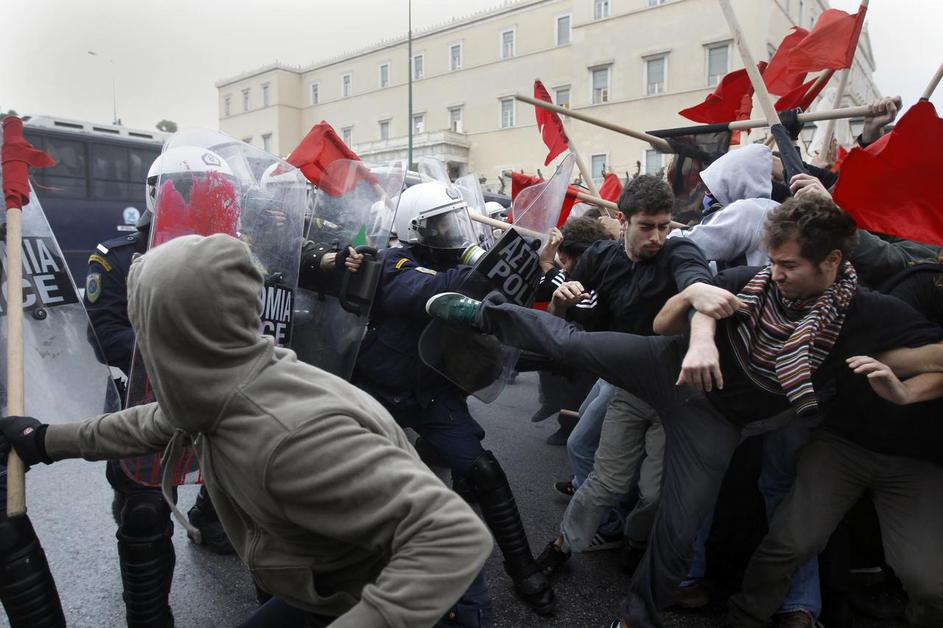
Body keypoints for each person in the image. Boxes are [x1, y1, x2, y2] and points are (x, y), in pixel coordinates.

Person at [425, 193, 943, 628]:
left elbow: (934, 355)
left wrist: (906, 390)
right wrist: (700, 329)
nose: (776, 275)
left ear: (831, 262)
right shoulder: (753, 281)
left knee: (678, 529)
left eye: (789, 266)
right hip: (664, 365)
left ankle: (635, 618)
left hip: (714, 421)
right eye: (774, 263)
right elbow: (676, 316)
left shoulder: (868, 314)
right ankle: (485, 314)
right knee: (575, 345)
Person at [1, 233, 494, 628]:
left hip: (414, 602)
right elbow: (152, 422)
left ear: (169, 331)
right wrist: (44, 440)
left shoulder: (292, 435)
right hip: (328, 582)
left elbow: (452, 535)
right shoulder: (219, 385)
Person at [351, 180, 555, 616]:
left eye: (453, 223)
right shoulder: (394, 262)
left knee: (484, 471)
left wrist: (541, 273)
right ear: (416, 229)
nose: (452, 233)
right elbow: (435, 289)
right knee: (360, 481)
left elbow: (508, 294)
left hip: (430, 391)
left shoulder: (460, 262)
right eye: (441, 226)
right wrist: (500, 260)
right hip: (379, 390)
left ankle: (523, 568)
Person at [524, 175, 718, 583]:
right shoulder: (601, 256)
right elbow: (562, 317)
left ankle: (634, 539)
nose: (658, 237)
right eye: (647, 226)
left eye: (665, 225)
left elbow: (698, 288)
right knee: (598, 470)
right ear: (621, 219)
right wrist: (562, 300)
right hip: (625, 383)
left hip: (677, 393)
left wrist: (701, 338)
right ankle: (568, 543)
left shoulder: (679, 252)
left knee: (655, 492)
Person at [82, 149, 235, 628]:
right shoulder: (119, 257)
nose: (200, 201)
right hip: (144, 398)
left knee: (241, 489)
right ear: (160, 192)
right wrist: (171, 347)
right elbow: (104, 336)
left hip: (216, 399)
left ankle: (210, 523)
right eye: (188, 190)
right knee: (145, 513)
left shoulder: (230, 251)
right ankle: (148, 614)